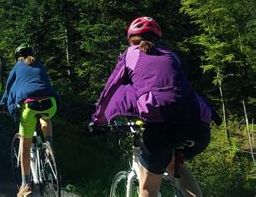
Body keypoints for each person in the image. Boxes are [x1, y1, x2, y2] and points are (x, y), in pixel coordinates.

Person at [89, 16, 220, 197]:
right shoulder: (171, 55)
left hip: (162, 126)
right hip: (198, 127)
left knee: (148, 189)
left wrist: (98, 120)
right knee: (175, 165)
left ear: (131, 39)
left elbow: (111, 88)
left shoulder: (130, 54)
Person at [0, 44, 60, 197]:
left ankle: (25, 185)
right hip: (50, 102)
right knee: (46, 117)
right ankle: (48, 149)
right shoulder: (39, 65)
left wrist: (1, 104)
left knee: (25, 146)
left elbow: (9, 89)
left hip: (30, 105)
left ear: (17, 57)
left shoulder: (18, 66)